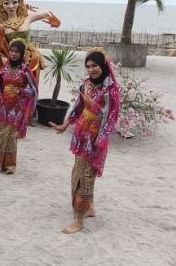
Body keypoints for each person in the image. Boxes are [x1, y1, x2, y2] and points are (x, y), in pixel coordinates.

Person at [49, 48, 120, 234]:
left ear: (103, 65)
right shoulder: (86, 85)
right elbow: (78, 107)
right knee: (79, 173)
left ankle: (78, 220)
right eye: (88, 66)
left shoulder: (110, 91)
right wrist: (65, 124)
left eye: (94, 65)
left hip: (96, 140)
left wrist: (101, 140)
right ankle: (88, 207)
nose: (91, 69)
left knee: (83, 178)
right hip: (81, 136)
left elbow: (112, 118)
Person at [0, 40, 37, 174]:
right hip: (4, 106)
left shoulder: (25, 70)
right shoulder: (4, 68)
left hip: (17, 108)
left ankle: (10, 166)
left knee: (11, 136)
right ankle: (0, 164)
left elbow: (33, 90)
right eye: (11, 51)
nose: (13, 54)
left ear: (22, 54)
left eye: (17, 52)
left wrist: (21, 92)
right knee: (1, 134)